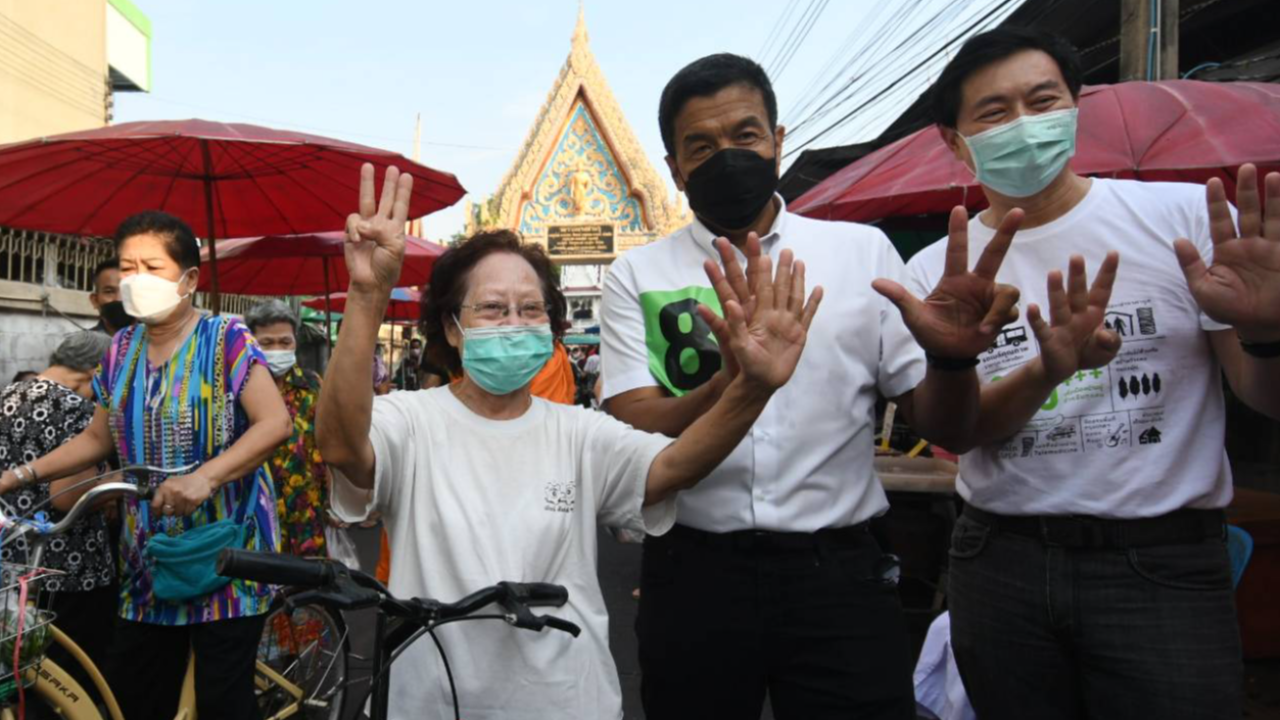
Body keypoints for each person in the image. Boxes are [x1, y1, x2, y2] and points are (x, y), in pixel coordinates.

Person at [601, 53, 1022, 720]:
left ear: (777, 141)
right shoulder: (636, 274)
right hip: (694, 570)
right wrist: (729, 386)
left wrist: (951, 361)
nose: (726, 156)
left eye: (744, 135)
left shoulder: (864, 255)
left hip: (840, 573)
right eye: (701, 146)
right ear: (675, 168)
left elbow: (939, 423)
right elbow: (632, 424)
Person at [317, 164, 820, 720]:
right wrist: (366, 296)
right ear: (454, 330)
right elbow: (343, 448)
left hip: (566, 700)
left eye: (531, 309)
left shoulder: (580, 432)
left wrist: (753, 390)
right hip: (428, 700)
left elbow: (675, 464)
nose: (514, 322)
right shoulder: (409, 421)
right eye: (491, 307)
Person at [903, 27, 1280, 720]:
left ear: (1076, 108)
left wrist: (1267, 332)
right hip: (1000, 559)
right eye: (993, 112)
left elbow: (1265, 397)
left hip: (1161, 565)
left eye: (1043, 101)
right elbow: (953, 428)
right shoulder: (936, 273)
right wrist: (1007, 365)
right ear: (955, 141)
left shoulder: (1186, 220)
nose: (1024, 125)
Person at [0, 210, 291, 720]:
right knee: (134, 695)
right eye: (128, 268)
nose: (137, 280)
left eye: (152, 267)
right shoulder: (120, 351)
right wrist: (16, 476)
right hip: (147, 557)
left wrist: (205, 477)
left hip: (229, 552)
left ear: (189, 279)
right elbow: (97, 437)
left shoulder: (227, 338)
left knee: (224, 701)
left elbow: (273, 424)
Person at [0, 331, 116, 688]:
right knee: (68, 684)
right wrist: (113, 484)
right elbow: (66, 497)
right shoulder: (78, 409)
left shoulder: (6, 395)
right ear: (96, 372)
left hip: (10, 562)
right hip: (68, 569)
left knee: (19, 669)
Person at [246, 299, 329, 557]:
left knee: (309, 587)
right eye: (267, 343)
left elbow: (328, 441)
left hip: (307, 507)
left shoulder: (313, 385)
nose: (277, 349)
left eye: (285, 342)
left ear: (295, 342)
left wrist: (334, 498)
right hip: (256, 506)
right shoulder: (240, 388)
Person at [89, 257, 132, 336]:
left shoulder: (158, 344)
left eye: (126, 291)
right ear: (95, 300)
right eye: (109, 292)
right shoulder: (81, 346)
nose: (119, 299)